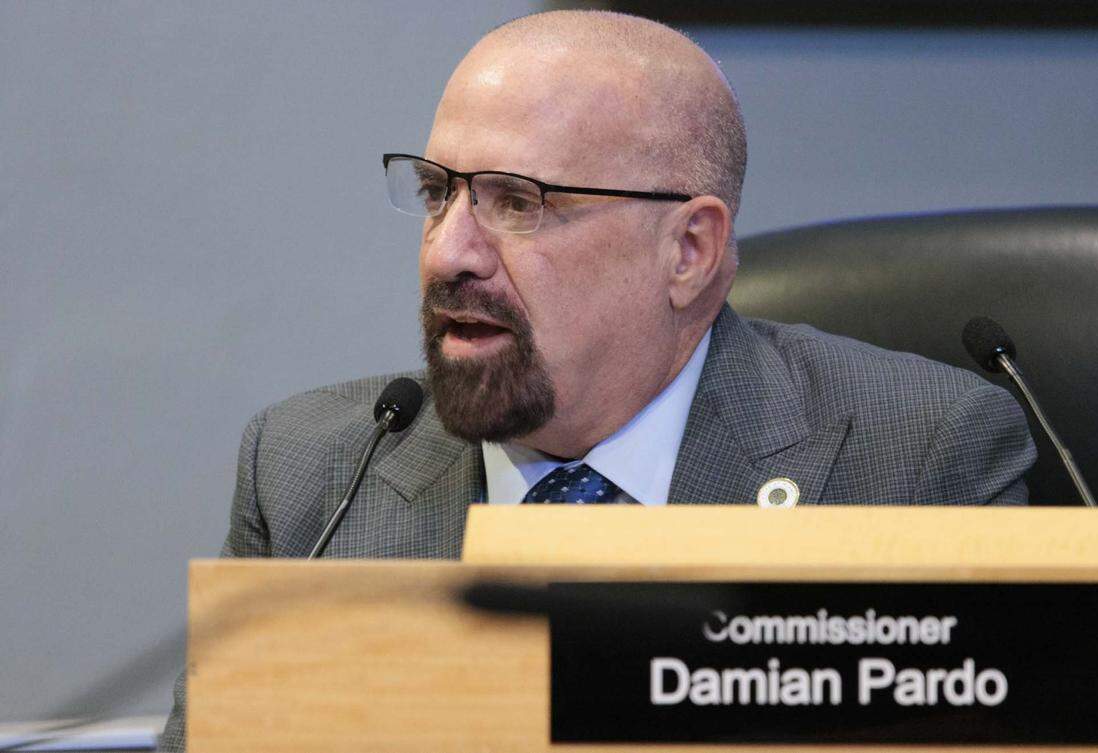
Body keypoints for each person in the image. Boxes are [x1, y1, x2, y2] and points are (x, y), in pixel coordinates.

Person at [159, 9, 1035, 750]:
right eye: (437, 193)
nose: (450, 253)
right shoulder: (314, 476)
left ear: (688, 250)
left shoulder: (915, 462)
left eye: (517, 201)